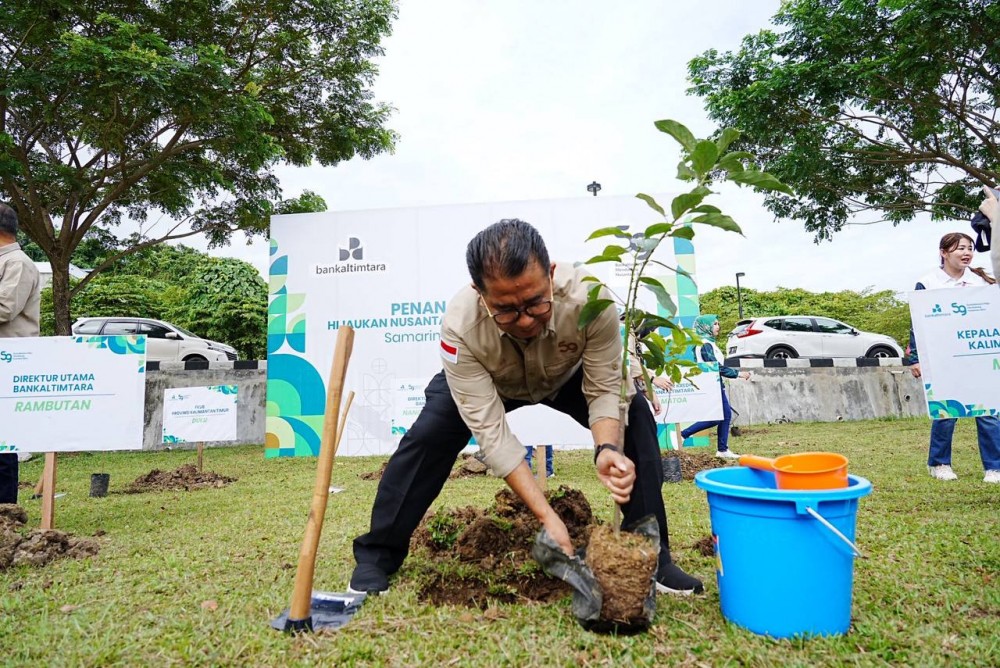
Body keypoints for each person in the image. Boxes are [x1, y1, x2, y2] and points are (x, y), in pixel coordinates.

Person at [350, 219, 703, 596]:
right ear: (480, 293)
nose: (525, 321)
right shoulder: (460, 325)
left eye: (536, 303)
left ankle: (652, 556)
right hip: (491, 381)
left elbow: (603, 388)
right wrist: (546, 516)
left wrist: (608, 449)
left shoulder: (592, 300)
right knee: (428, 437)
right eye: (505, 309)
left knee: (634, 418)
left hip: (566, 374)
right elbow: (492, 434)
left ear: (551, 274)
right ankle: (377, 556)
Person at [908, 232, 999, 483]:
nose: (967, 252)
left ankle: (994, 467)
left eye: (970, 248)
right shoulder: (927, 283)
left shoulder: (983, 283)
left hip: (978, 355)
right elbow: (917, 324)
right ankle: (939, 463)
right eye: (960, 248)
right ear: (943, 252)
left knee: (989, 410)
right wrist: (915, 358)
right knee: (946, 411)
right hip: (943, 357)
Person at [0, 202, 42, 504]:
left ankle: (5, 511)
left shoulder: (18, 263)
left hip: (8, 362)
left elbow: (5, 309)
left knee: (2, 441)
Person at [679, 314, 750, 459]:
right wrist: (737, 374)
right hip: (711, 385)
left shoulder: (708, 343)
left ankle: (722, 449)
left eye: (718, 323)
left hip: (716, 384)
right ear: (705, 326)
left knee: (724, 415)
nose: (718, 326)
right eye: (715, 324)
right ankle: (683, 434)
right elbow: (715, 367)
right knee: (719, 416)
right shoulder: (705, 344)